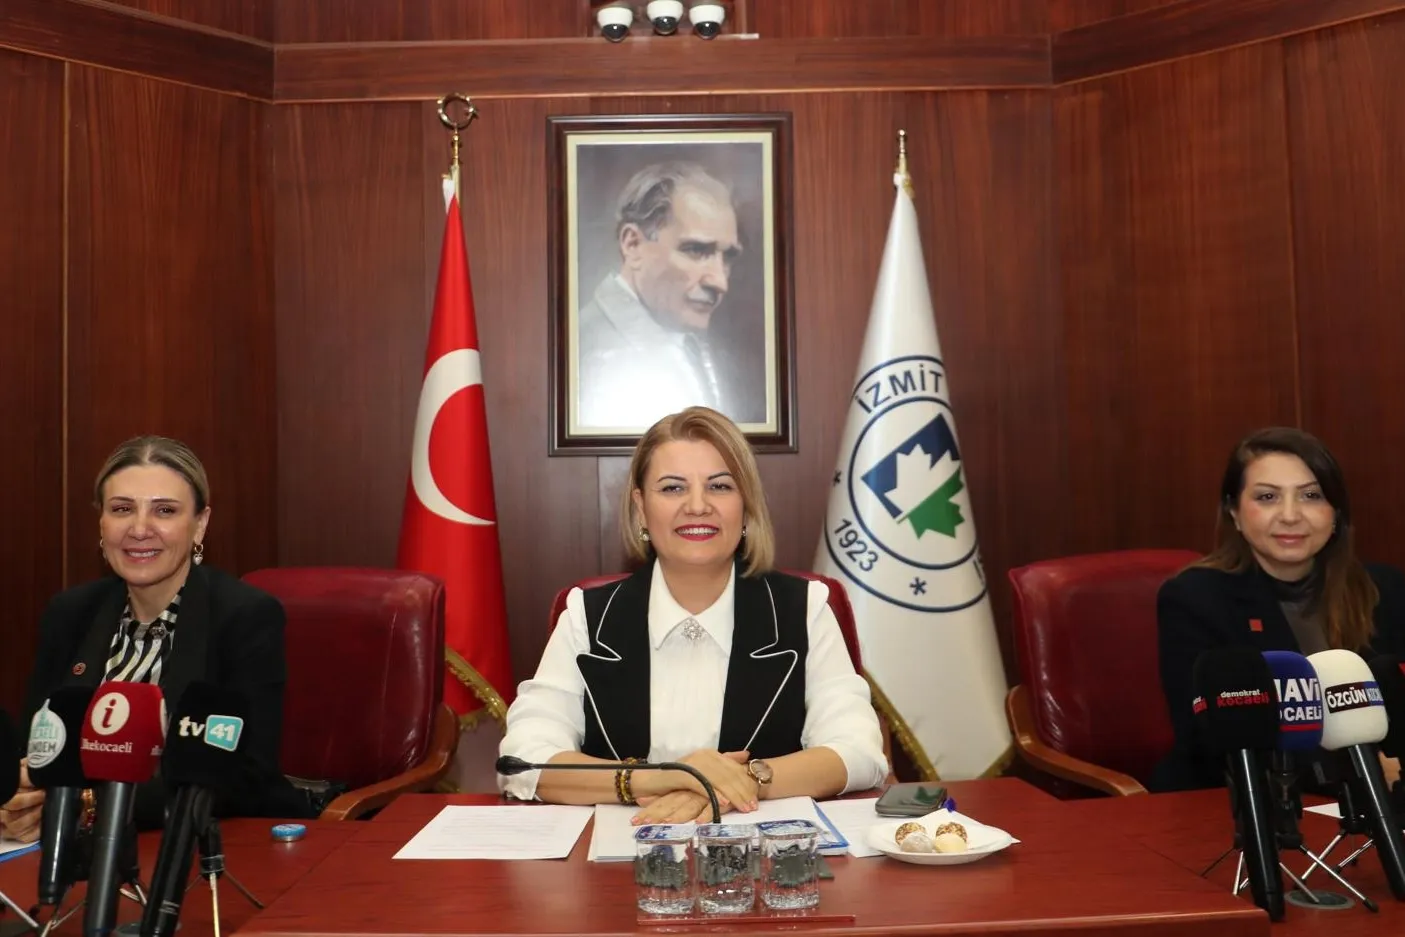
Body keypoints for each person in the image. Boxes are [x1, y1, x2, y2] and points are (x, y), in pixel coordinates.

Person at [499, 407, 888, 823]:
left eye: (720, 486)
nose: (698, 506)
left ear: (746, 506)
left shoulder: (804, 609)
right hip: (622, 851)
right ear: (641, 508)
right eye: (672, 488)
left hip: (765, 855)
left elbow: (859, 751)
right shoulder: (587, 615)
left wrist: (742, 781)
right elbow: (523, 760)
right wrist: (657, 779)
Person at [0, 436, 308, 840]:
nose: (140, 528)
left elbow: (241, 775)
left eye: (164, 510)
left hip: (212, 846)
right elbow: (35, 745)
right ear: (101, 522)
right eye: (121, 509)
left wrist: (85, 804)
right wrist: (20, 797)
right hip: (72, 850)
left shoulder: (244, 616)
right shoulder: (70, 613)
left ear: (200, 524)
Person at [1153, 427, 1405, 792]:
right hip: (1235, 799)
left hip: (1381, 799)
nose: (1290, 515)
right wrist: (1359, 771)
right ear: (1234, 512)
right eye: (1268, 497)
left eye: (1311, 496)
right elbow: (1206, 739)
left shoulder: (1385, 589)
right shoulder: (1195, 599)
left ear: (1335, 512)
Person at [576, 162, 765, 430]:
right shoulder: (585, 352)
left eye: (727, 258)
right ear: (633, 245)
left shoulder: (687, 340)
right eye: (696, 250)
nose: (720, 282)